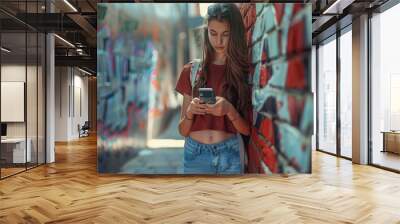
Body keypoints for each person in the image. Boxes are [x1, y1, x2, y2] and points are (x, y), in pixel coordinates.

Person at [175, 3, 251, 174]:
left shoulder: (242, 72)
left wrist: (229, 110)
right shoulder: (191, 71)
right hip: (195, 154)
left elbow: (247, 129)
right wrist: (190, 112)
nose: (219, 41)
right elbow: (182, 130)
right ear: (206, 31)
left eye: (226, 34)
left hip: (230, 153)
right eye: (213, 33)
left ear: (235, 34)